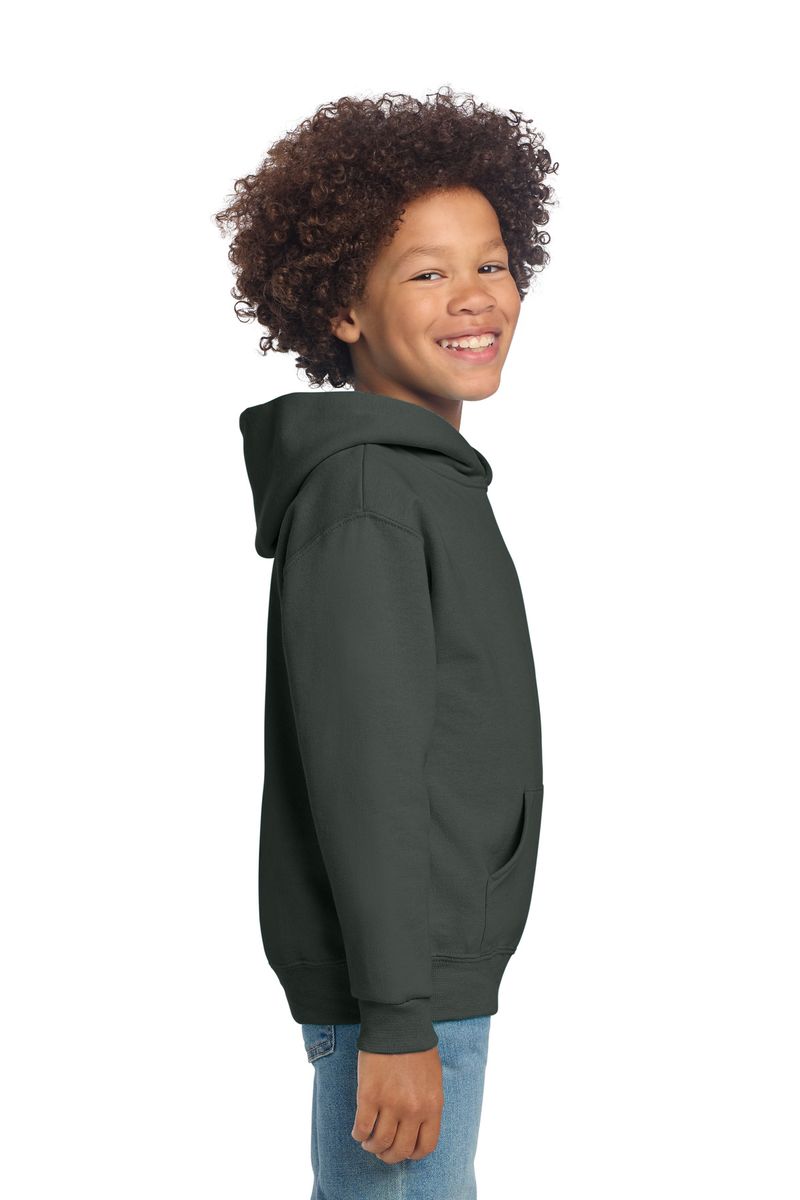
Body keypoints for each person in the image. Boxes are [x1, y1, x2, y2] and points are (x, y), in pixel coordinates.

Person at [216, 86, 558, 1199]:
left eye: (491, 263)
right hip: (404, 999)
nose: (474, 296)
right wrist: (399, 1018)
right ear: (343, 308)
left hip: (428, 980)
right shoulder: (368, 495)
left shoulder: (419, 481)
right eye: (425, 273)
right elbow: (364, 771)